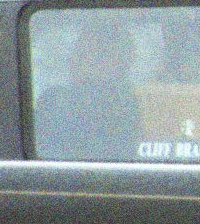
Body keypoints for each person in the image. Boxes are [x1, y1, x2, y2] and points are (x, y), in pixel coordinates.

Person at [32, 19, 142, 161]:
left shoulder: (56, 102)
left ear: (115, 61)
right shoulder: (132, 103)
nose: (73, 61)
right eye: (76, 52)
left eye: (83, 54)